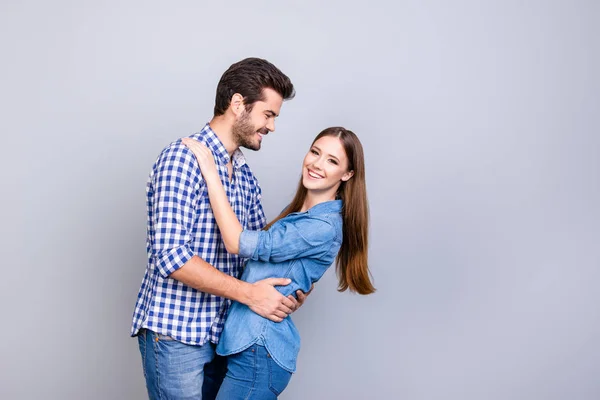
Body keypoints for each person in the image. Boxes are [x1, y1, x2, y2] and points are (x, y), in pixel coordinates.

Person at [131, 57, 309, 400]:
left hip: (225, 335)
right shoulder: (181, 159)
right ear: (238, 104)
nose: (272, 126)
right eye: (268, 114)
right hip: (176, 335)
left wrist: (285, 292)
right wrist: (250, 295)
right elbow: (171, 257)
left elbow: (257, 252)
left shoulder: (244, 175)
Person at [181, 126, 376, 399]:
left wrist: (211, 174)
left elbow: (237, 243)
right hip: (246, 346)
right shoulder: (301, 216)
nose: (317, 164)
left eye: (332, 161)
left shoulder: (322, 226)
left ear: (347, 174)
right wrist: (295, 292)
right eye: (315, 152)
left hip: (258, 352)